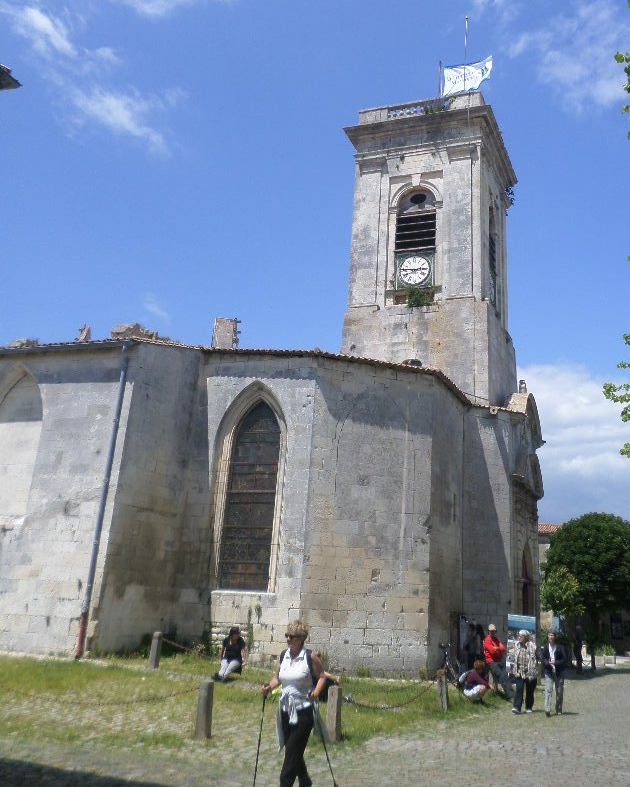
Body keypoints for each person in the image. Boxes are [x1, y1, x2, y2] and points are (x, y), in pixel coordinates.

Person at [261, 620, 328, 787]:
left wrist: (316, 692)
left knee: (290, 759)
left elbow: (322, 677)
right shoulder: (283, 655)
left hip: (303, 712)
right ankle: (305, 780)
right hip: (285, 710)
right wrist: (269, 687)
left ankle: (286, 783)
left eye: (291, 636)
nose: (288, 639)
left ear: (301, 638)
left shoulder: (309, 656)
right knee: (292, 750)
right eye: (287, 636)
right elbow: (277, 678)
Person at [483, 623, 514, 701]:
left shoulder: (497, 639)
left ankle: (512, 694)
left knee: (506, 676)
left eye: (494, 631)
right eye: (491, 631)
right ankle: (509, 696)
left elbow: (503, 649)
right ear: (488, 632)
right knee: (501, 676)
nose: (493, 633)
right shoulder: (487, 640)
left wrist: (496, 648)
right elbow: (492, 652)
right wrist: (497, 648)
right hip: (491, 661)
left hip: (498, 660)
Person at [511, 629, 538, 714]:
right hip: (520, 671)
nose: (519, 637)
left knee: (530, 690)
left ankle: (529, 707)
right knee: (519, 688)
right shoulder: (516, 645)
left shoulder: (533, 646)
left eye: (521, 636)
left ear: (526, 637)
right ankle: (516, 707)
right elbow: (513, 658)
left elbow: (538, 657)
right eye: (518, 635)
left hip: (530, 672)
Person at [542, 630, 566, 716]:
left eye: (552, 635)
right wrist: (547, 663)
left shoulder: (560, 647)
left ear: (554, 637)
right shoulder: (545, 647)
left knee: (559, 692)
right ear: (547, 637)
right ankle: (547, 708)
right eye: (549, 635)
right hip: (549, 672)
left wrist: (555, 662)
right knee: (548, 690)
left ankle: (558, 709)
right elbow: (543, 658)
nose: (551, 637)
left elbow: (564, 660)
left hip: (559, 672)